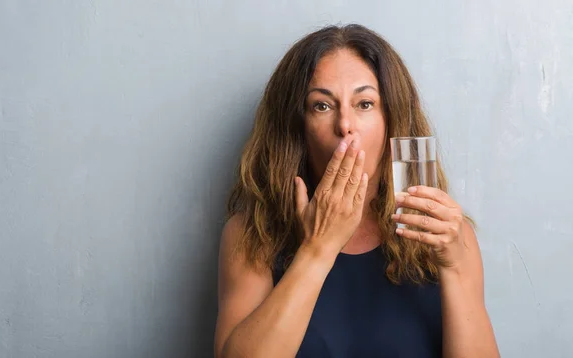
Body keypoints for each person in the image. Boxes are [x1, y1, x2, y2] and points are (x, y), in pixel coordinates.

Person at [214, 24, 500, 358]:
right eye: (322, 106)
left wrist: (457, 269)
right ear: (298, 128)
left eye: (364, 104)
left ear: (391, 119)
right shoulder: (252, 233)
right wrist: (317, 250)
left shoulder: (447, 234)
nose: (345, 124)